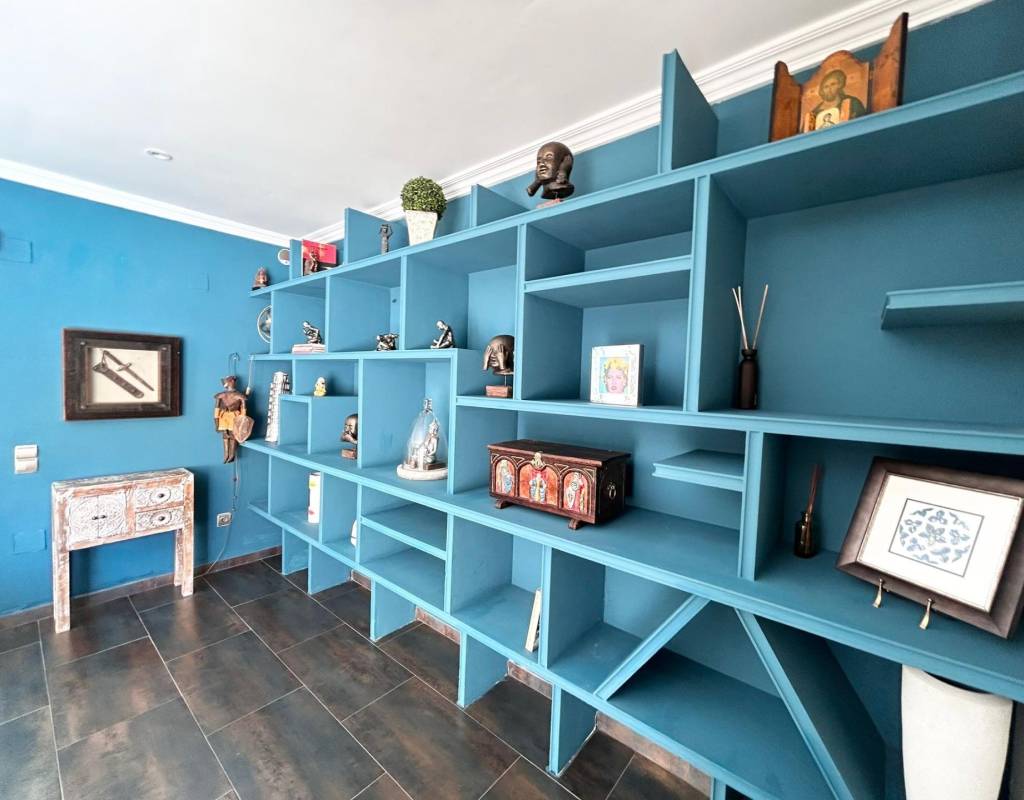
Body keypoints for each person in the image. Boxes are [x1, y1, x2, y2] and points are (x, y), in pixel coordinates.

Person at [213, 376, 247, 463]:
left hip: (233, 417)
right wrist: (216, 423)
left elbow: (243, 410)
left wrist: (242, 422)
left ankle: (231, 455)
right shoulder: (221, 395)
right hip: (224, 417)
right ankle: (226, 455)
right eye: (231, 381)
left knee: (232, 435)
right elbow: (216, 410)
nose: (232, 382)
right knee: (225, 435)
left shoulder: (239, 396)